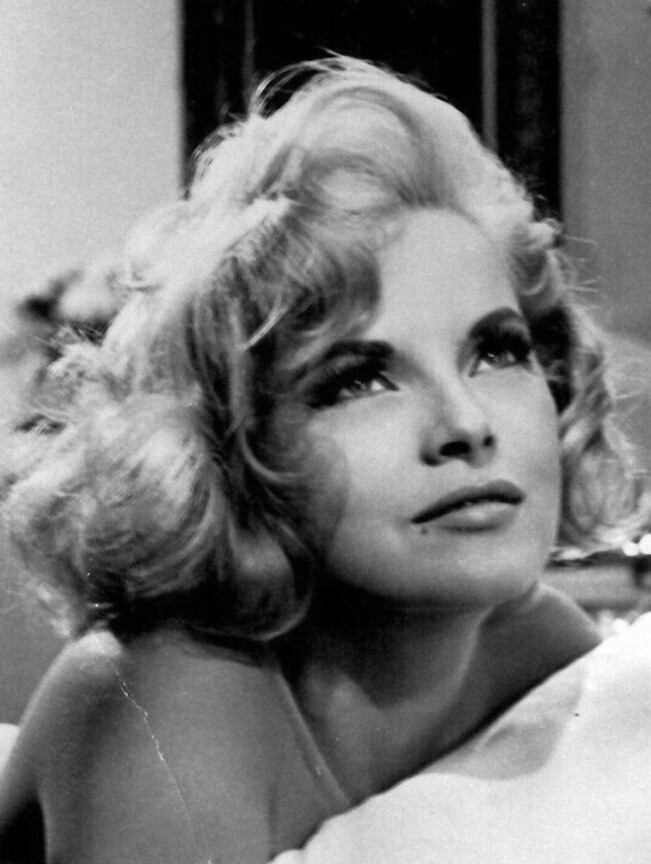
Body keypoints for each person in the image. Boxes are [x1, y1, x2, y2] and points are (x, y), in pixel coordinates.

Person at [0, 57, 643, 864]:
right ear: (234, 442)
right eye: (358, 380)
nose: (465, 425)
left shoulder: (537, 652)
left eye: (496, 351)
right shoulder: (166, 701)